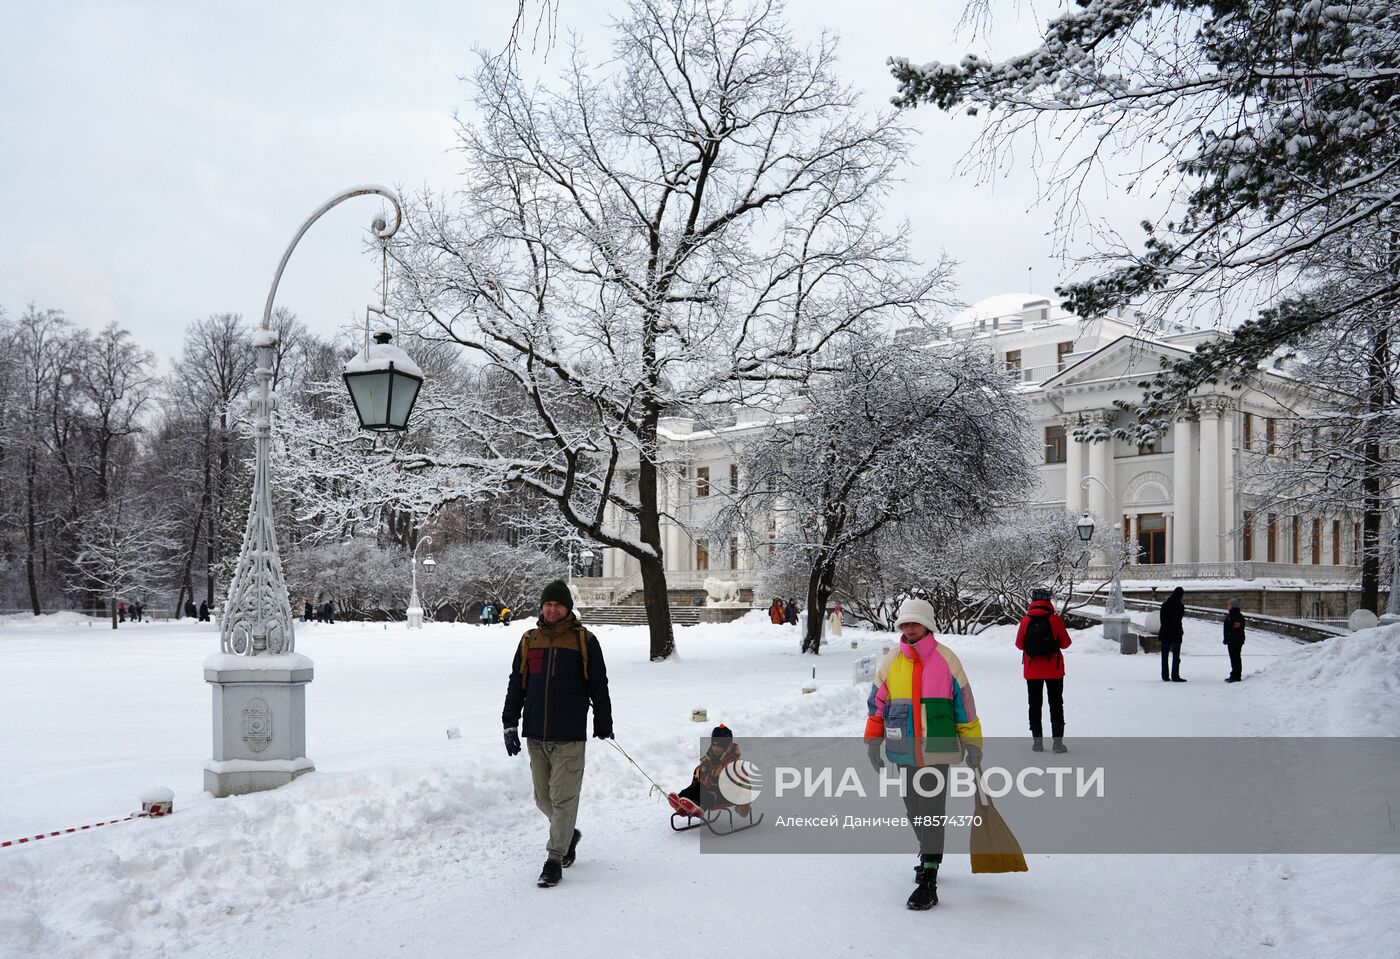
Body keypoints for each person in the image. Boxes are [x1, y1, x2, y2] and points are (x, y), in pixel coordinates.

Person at [864, 597, 983, 911]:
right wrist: (873, 741)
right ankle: (928, 852)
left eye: (916, 623)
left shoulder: (946, 660)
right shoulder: (892, 661)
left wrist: (973, 743)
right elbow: (876, 704)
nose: (910, 628)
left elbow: (965, 706)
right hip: (903, 748)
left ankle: (929, 877)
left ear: (928, 625)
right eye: (905, 623)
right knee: (913, 809)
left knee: (931, 811)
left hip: (937, 749)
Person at [503, 579, 613, 889]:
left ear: (567, 608)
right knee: (542, 798)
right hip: (536, 733)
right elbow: (517, 683)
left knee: (563, 799)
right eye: (548, 604)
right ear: (542, 607)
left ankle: (554, 859)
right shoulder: (529, 640)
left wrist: (603, 720)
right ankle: (568, 834)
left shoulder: (584, 641)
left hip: (569, 735)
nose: (552, 609)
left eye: (558, 605)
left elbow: (599, 685)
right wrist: (509, 723)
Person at [1015, 587, 1072, 753]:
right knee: (1056, 704)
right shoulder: (1054, 619)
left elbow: (1019, 644)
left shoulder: (1026, 619)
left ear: (1033, 600)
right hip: (1053, 670)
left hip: (1032, 670)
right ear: (1049, 600)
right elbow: (1066, 643)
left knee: (1034, 704)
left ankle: (1037, 742)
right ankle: (1057, 743)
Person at [667, 724, 740, 816]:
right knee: (696, 787)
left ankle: (698, 807)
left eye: (720, 746)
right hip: (711, 787)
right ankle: (680, 801)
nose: (716, 748)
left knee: (708, 793)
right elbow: (701, 774)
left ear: (726, 746)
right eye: (714, 745)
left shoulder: (732, 761)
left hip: (727, 793)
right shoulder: (710, 758)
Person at [1159, 586, 1186, 682]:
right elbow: (1178, 620)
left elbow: (1162, 620)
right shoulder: (1180, 606)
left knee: (1164, 655)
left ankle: (1165, 675)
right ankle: (1175, 675)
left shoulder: (1164, 605)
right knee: (1176, 655)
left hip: (1165, 633)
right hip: (1176, 633)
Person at [1223, 597, 1247, 682]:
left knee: (1235, 658)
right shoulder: (1232, 615)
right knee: (1234, 658)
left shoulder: (1236, 616)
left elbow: (1236, 630)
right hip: (1232, 640)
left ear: (1233, 606)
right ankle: (1234, 674)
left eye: (1229, 605)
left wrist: (1229, 638)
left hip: (1235, 641)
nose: (1227, 606)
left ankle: (1236, 676)